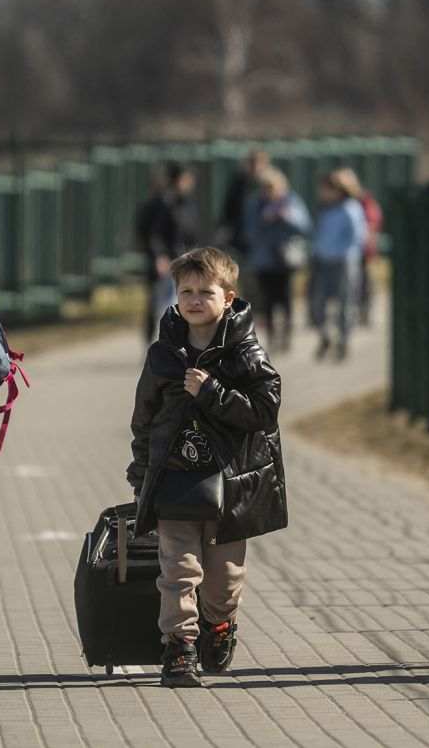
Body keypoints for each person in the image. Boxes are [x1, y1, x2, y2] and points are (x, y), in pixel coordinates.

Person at [126, 246, 286, 689]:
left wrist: (212, 392)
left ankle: (219, 624)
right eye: (186, 291)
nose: (194, 300)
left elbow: (265, 410)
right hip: (175, 481)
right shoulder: (162, 354)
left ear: (228, 298)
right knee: (178, 569)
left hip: (230, 484)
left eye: (205, 291)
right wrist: (141, 478)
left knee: (224, 579)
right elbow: (144, 421)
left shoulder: (245, 352)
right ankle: (179, 647)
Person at [241, 167, 310, 352]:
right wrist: (263, 221)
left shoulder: (291, 201)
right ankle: (271, 337)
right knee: (268, 300)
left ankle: (286, 335)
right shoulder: (255, 206)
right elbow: (248, 233)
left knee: (286, 298)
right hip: (264, 260)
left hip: (285, 259)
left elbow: (304, 224)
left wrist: (285, 217)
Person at [137, 163, 204, 342]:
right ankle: (155, 342)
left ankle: (179, 341)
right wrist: (159, 256)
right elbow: (154, 234)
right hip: (167, 262)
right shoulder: (164, 203)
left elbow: (194, 232)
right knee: (160, 304)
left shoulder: (189, 203)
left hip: (186, 259)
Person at [308, 170, 368, 362]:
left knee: (345, 301)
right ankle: (325, 336)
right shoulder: (325, 209)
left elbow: (358, 236)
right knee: (317, 302)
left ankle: (343, 340)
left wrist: (344, 252)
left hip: (344, 261)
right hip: (323, 260)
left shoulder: (350, 208)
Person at [333, 167, 382, 327]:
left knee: (363, 281)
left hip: (361, 247)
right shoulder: (334, 202)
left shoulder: (363, 199)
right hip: (343, 249)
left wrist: (367, 235)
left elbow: (372, 218)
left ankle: (364, 311)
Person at [217, 149, 270, 254]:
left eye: (259, 163)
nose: (256, 166)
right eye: (253, 163)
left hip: (263, 237)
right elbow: (229, 208)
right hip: (241, 234)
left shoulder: (271, 183)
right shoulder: (239, 183)